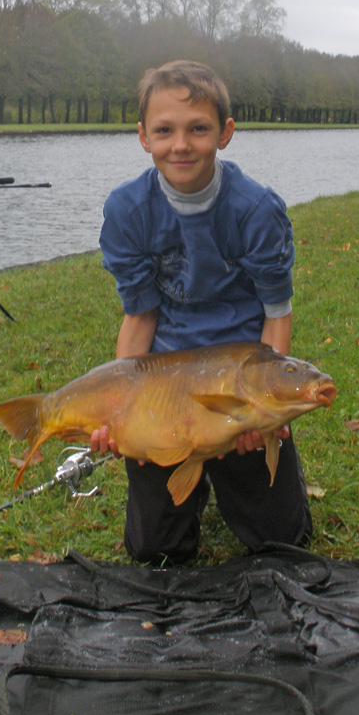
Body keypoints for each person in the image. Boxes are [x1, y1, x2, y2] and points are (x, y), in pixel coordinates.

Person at [91, 60, 312, 563]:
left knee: (283, 542)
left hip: (238, 380)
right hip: (165, 384)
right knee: (154, 553)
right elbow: (140, 317)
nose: (181, 145)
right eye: (164, 130)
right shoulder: (127, 210)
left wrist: (266, 409)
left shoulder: (257, 210)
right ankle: (188, 488)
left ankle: (239, 480)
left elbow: (277, 313)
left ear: (225, 133)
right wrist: (118, 411)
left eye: (198, 129)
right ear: (143, 136)